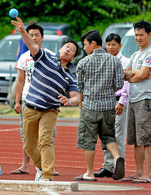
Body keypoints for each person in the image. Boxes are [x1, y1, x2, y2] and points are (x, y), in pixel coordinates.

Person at [11, 17, 81, 181]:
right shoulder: (44, 57)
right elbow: (31, 45)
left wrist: (69, 101)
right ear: (60, 49)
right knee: (28, 145)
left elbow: (77, 97)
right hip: (30, 108)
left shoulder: (70, 77)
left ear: (72, 58)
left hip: (50, 111)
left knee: (45, 141)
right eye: (66, 47)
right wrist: (22, 31)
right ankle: (43, 168)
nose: (68, 49)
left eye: (71, 50)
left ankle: (47, 176)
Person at [75, 30, 125, 182]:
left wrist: (82, 104)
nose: (84, 48)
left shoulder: (83, 62)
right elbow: (119, 85)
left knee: (88, 141)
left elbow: (80, 87)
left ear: (93, 43)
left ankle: (89, 173)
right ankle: (117, 158)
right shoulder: (115, 61)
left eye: (85, 45)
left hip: (90, 107)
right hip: (109, 107)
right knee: (109, 136)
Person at [11, 23, 58, 176]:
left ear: (42, 37)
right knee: (27, 136)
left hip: (45, 102)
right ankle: (26, 165)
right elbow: (20, 81)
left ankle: (47, 165)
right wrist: (17, 101)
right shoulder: (24, 58)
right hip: (28, 101)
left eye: (36, 35)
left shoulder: (50, 55)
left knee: (47, 136)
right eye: (30, 35)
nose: (33, 38)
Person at [121, 20, 151, 183]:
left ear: (149, 35)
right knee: (136, 140)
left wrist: (135, 75)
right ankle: (138, 172)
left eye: (141, 35)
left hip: (146, 100)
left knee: (146, 138)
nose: (138, 38)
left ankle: (148, 174)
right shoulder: (135, 55)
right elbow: (125, 74)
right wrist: (136, 74)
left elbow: (142, 75)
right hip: (134, 99)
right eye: (136, 35)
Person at [94, 33, 130, 178]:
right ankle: (108, 166)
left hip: (118, 101)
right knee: (106, 134)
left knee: (118, 134)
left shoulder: (125, 62)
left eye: (113, 44)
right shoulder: (104, 60)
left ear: (120, 46)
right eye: (108, 44)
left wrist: (122, 101)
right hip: (105, 102)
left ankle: (119, 166)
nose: (110, 47)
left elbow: (127, 84)